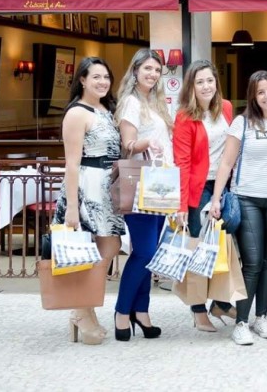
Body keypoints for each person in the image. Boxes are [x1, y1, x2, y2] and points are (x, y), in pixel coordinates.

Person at [210, 71, 267, 346]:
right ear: (253, 96)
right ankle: (241, 323)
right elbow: (226, 163)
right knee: (254, 262)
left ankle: (261, 316)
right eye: (261, 92)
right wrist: (216, 198)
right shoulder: (242, 122)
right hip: (247, 197)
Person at [54, 57, 123, 346]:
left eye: (106, 77)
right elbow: (71, 163)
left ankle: (84, 309)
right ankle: (83, 312)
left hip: (108, 186)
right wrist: (71, 206)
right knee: (93, 249)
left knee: (109, 246)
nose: (102, 82)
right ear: (82, 79)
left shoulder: (107, 109)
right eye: (95, 76)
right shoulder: (76, 113)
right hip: (87, 185)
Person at [172, 59, 236, 333]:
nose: (206, 86)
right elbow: (181, 162)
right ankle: (198, 310)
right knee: (198, 250)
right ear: (191, 87)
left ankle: (220, 301)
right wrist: (182, 204)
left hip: (224, 185)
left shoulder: (227, 108)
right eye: (200, 82)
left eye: (210, 80)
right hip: (198, 188)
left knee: (224, 244)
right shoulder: (185, 116)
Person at [112, 50, 171, 342]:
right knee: (145, 252)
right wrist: (148, 141)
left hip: (159, 185)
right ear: (135, 70)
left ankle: (142, 311)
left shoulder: (154, 102)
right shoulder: (132, 102)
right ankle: (122, 311)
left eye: (157, 70)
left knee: (151, 253)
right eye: (148, 68)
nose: (153, 74)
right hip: (140, 184)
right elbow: (128, 144)